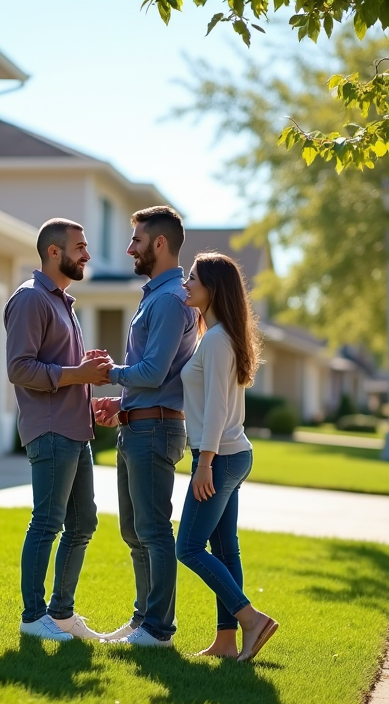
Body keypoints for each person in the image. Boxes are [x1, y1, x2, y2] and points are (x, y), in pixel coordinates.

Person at [93, 206, 198, 648]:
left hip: (154, 431)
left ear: (159, 244)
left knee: (153, 531)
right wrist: (121, 403)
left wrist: (108, 373)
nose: (128, 248)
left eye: (136, 240)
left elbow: (153, 372)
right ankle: (142, 621)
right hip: (139, 424)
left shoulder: (172, 300)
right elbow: (160, 375)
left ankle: (158, 629)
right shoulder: (158, 295)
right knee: (135, 532)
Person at [4, 218, 113, 642]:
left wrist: (86, 378)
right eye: (80, 246)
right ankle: (33, 618)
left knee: (83, 522)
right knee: (46, 523)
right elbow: (19, 368)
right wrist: (77, 372)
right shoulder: (31, 300)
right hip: (49, 430)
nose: (87, 254)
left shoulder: (62, 301)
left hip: (76, 428)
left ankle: (61, 615)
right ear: (54, 252)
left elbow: (63, 369)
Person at [175, 252, 278, 661]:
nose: (186, 284)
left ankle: (251, 619)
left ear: (212, 288)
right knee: (224, 549)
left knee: (188, 547)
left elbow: (216, 407)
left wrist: (203, 463)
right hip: (232, 455)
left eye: (193, 278)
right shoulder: (219, 336)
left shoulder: (217, 341)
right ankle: (225, 640)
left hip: (218, 458)